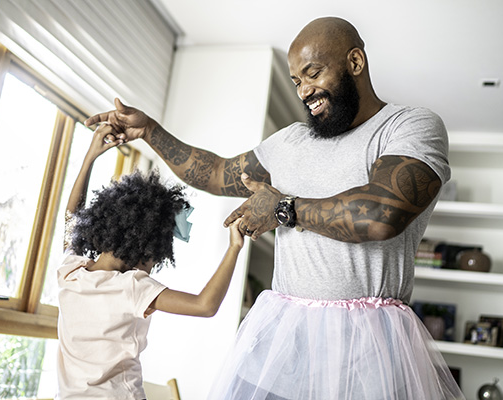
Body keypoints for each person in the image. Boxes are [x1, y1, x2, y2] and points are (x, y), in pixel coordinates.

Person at [85, 16, 464, 400]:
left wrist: (284, 208)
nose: (304, 91)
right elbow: (216, 173)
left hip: (368, 348)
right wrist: (150, 130)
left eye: (313, 73)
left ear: (355, 62)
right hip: (282, 338)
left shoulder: (409, 126)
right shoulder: (291, 142)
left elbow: (382, 214)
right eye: (297, 81)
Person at [56, 123, 244, 399]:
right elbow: (205, 305)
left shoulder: (70, 272)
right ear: (145, 246)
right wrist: (234, 248)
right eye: (156, 255)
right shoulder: (131, 286)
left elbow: (72, 217)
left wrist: (89, 158)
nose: (153, 265)